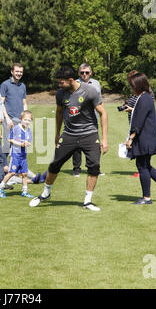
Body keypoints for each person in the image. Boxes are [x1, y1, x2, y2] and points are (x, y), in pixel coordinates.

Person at [29, 65, 108, 211]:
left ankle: (87, 201)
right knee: (54, 164)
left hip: (89, 134)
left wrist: (104, 139)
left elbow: (103, 113)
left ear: (70, 80)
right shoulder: (60, 94)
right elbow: (59, 113)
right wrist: (57, 133)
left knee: (94, 166)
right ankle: (46, 193)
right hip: (69, 134)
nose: (59, 85)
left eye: (61, 82)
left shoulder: (90, 91)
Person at [125, 72, 156, 205]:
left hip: (145, 137)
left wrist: (131, 138)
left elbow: (139, 122)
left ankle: (146, 198)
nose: (131, 88)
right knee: (146, 165)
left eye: (132, 86)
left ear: (138, 86)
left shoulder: (144, 99)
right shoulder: (145, 97)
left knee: (142, 166)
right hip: (149, 136)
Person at [72, 63, 103, 177]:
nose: (84, 74)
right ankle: (76, 169)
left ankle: (95, 169)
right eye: (82, 72)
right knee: (77, 145)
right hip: (77, 119)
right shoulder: (74, 83)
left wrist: (101, 114)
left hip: (93, 119)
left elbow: (99, 101)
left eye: (87, 72)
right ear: (79, 73)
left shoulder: (96, 83)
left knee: (94, 145)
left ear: (91, 73)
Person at [0, 110, 34, 198]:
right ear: (21, 119)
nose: (27, 122)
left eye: (29, 120)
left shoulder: (28, 131)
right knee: (12, 172)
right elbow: (10, 139)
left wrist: (27, 143)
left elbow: (29, 141)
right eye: (25, 120)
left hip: (23, 155)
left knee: (24, 173)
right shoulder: (16, 128)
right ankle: (0, 187)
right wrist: (20, 144)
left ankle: (25, 191)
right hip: (15, 154)